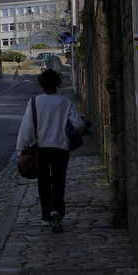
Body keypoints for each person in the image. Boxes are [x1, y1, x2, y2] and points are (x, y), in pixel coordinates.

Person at [15, 67, 83, 232]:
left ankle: (46, 215)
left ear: (42, 84)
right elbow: (79, 125)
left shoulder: (34, 102)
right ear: (57, 84)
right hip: (61, 148)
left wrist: (21, 149)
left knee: (43, 181)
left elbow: (27, 129)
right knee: (59, 180)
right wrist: (67, 135)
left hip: (41, 148)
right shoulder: (65, 103)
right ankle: (57, 210)